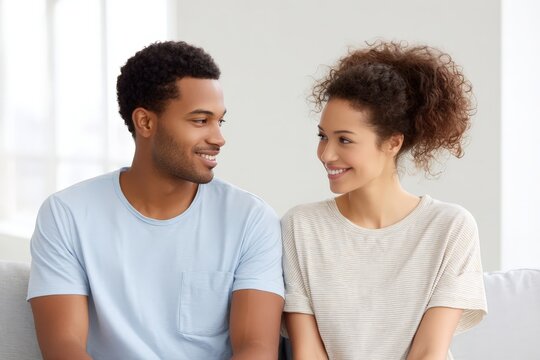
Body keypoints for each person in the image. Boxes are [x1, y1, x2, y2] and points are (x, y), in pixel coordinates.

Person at [27, 41, 284, 360]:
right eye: (200, 121)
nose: (219, 138)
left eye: (220, 121)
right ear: (145, 122)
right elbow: (63, 348)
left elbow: (256, 348)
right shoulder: (67, 214)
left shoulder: (250, 218)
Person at [281, 41, 487, 360]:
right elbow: (307, 352)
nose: (326, 154)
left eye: (344, 140)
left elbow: (427, 353)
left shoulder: (450, 228)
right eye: (323, 136)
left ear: (393, 143)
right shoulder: (301, 227)